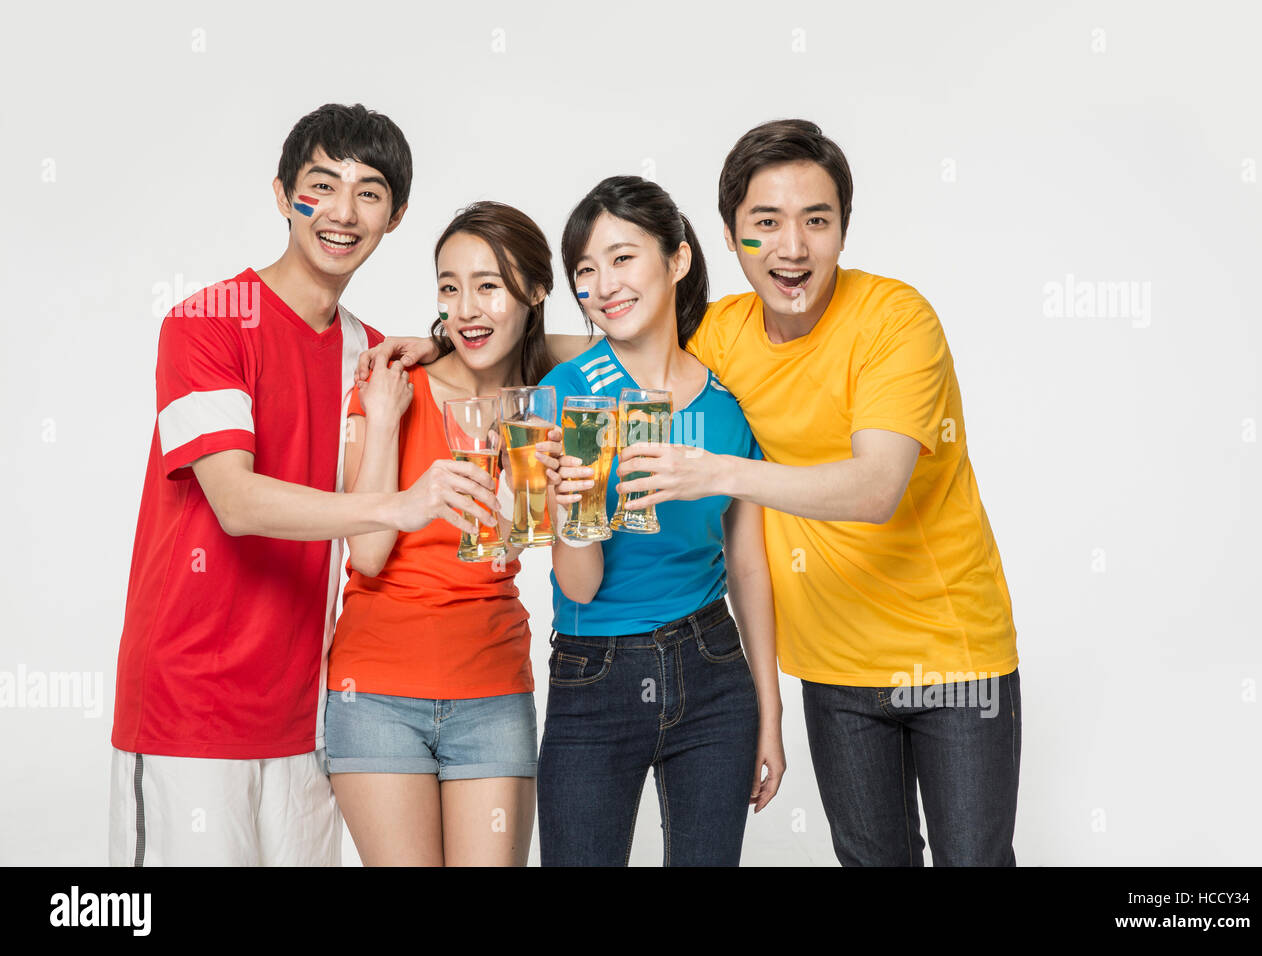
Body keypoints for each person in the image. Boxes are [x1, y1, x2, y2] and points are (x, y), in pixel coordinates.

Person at [617, 120, 1022, 866]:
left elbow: (875, 488)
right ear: (732, 235)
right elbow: (621, 349)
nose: (792, 248)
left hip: (952, 657)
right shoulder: (724, 331)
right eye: (764, 224)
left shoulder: (896, 320)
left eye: (816, 221)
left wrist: (719, 472)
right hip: (834, 669)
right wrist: (462, 341)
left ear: (844, 229)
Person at [108, 104, 504, 867]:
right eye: (321, 185)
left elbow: (538, 344)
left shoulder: (367, 351)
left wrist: (447, 338)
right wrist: (399, 501)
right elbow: (237, 500)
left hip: (310, 720)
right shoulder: (206, 323)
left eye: (370, 192)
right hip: (189, 714)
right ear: (284, 193)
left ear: (396, 216)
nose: (343, 212)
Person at [532, 176, 784, 866]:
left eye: (622, 257)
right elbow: (578, 588)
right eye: (584, 270)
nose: (602, 284)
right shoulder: (568, 395)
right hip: (596, 674)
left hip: (714, 671)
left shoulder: (731, 407)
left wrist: (771, 709)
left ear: (678, 259)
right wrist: (573, 509)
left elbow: (749, 566)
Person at [325, 201, 566, 866]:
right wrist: (380, 418)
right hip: (374, 695)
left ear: (536, 290)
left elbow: (625, 342)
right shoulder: (392, 388)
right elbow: (368, 553)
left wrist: (470, 339)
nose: (466, 308)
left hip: (492, 691)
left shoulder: (548, 401)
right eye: (450, 289)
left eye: (489, 286)